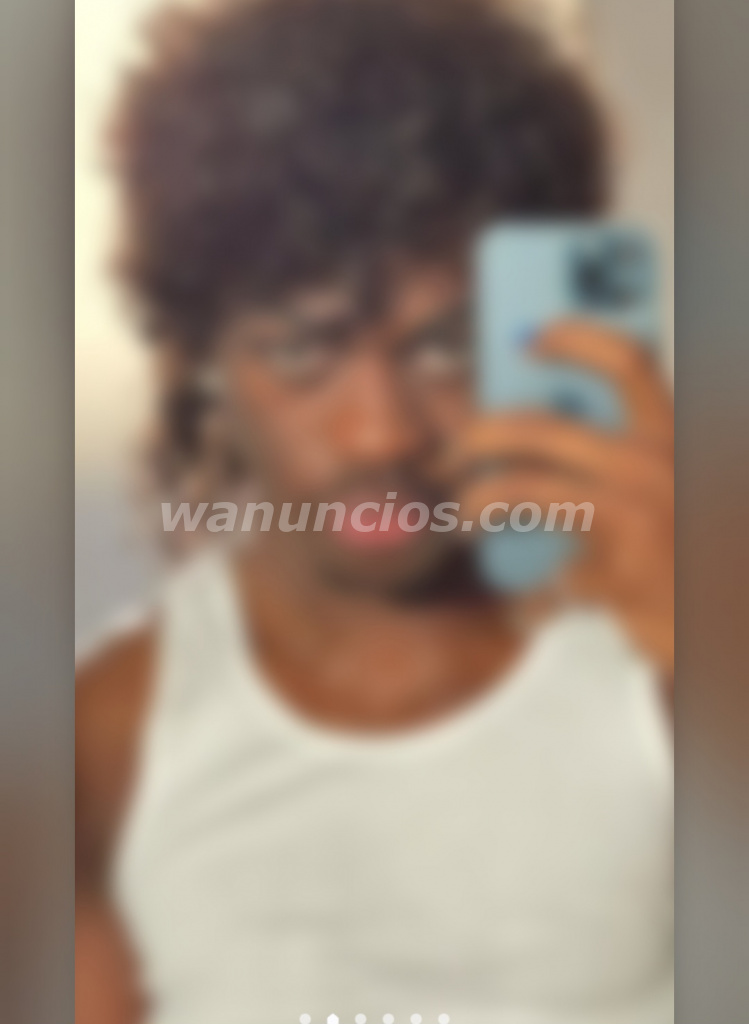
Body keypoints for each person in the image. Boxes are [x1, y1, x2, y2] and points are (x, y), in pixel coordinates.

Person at [75, 1, 674, 1021]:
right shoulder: (112, 741)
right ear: (204, 363)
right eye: (301, 349)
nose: (378, 434)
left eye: (443, 346)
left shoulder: (662, 662)